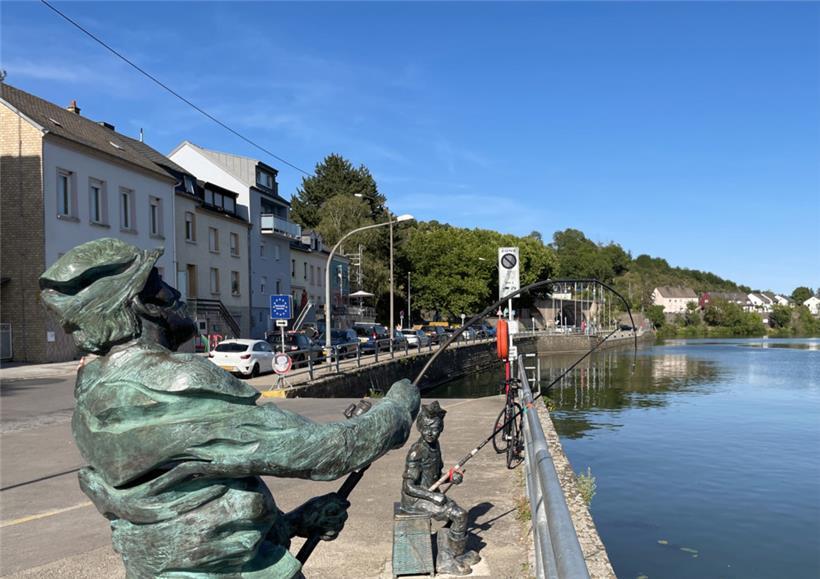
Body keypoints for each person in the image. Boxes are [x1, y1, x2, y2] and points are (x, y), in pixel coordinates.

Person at [39, 238, 420, 578]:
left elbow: (176, 509)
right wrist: (397, 410)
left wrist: (290, 524)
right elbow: (320, 451)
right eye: (159, 283)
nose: (176, 292)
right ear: (140, 303)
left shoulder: (92, 397)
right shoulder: (170, 381)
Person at [400, 402, 480, 575]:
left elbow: (436, 476)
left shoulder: (435, 447)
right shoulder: (416, 451)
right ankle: (446, 562)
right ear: (420, 427)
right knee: (459, 515)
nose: (430, 433)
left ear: (440, 429)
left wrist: (452, 477)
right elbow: (408, 487)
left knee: (456, 515)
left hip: (429, 495)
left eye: (435, 429)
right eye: (427, 428)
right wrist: (432, 496)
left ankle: (454, 555)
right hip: (415, 500)